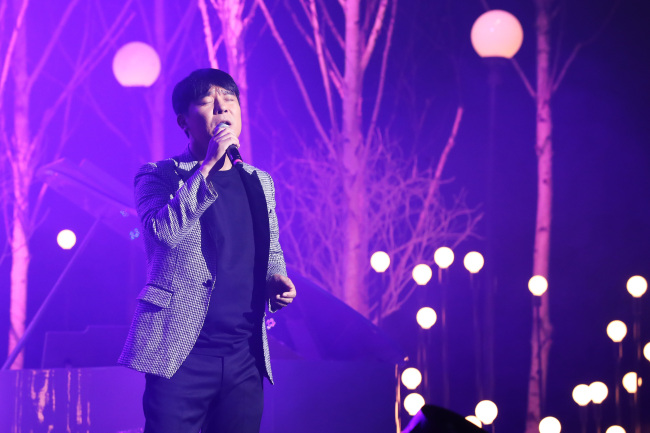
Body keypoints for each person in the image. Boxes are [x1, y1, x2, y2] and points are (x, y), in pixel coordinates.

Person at [119, 68, 296, 433]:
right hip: (181, 351)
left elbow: (270, 247)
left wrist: (276, 277)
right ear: (184, 121)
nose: (222, 110)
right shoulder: (158, 175)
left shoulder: (260, 181)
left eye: (229, 101)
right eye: (208, 103)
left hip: (244, 354)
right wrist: (208, 167)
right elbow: (162, 233)